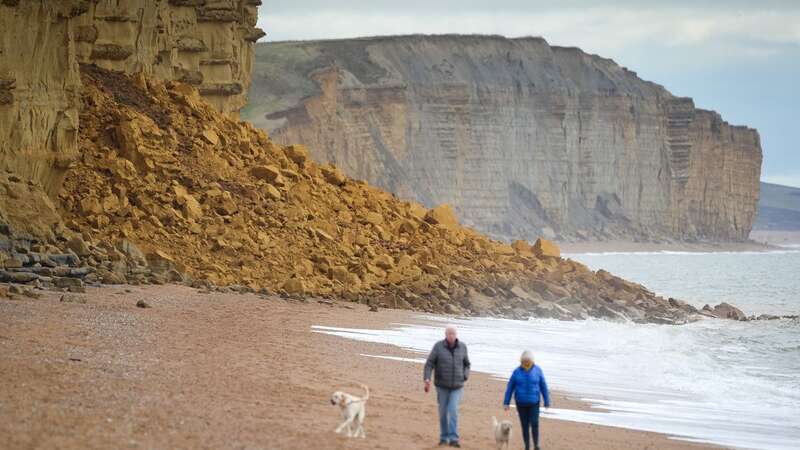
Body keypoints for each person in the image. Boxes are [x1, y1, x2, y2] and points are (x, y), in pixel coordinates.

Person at [423, 324, 471, 447]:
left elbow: (467, 364)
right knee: (443, 412)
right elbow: (429, 364)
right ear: (445, 335)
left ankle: (454, 439)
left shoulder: (462, 347)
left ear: (456, 335)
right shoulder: (438, 347)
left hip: (457, 386)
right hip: (442, 386)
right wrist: (427, 378)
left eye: (453, 333)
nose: (451, 335)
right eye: (449, 333)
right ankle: (444, 438)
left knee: (453, 410)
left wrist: (465, 375)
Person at [503, 350, 550, 450]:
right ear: (521, 360)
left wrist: (546, 400)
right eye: (524, 361)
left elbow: (543, 386)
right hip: (521, 403)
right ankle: (527, 446)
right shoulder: (517, 372)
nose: (526, 363)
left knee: (534, 423)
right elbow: (510, 387)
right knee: (525, 426)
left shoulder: (538, 370)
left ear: (532, 360)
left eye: (528, 361)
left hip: (534, 402)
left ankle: (536, 445)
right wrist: (506, 402)